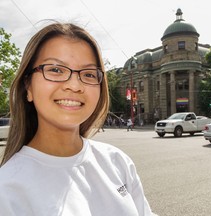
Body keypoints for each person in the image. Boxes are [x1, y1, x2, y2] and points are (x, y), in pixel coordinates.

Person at [0, 22, 153, 216]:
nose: (74, 85)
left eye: (88, 74)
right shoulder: (7, 190)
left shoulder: (117, 162)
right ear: (28, 86)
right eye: (55, 70)